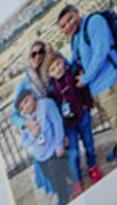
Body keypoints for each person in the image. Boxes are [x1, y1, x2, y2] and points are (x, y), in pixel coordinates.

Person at [59, 1, 117, 168]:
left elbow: (101, 52)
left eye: (70, 19)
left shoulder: (94, 22)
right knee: (111, 119)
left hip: (107, 81)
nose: (68, 26)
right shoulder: (76, 38)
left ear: (77, 12)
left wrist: (84, 80)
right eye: (63, 26)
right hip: (96, 87)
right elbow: (76, 59)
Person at [37, 41, 99, 190]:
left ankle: (92, 167)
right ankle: (77, 179)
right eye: (52, 69)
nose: (57, 69)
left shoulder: (72, 74)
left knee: (89, 144)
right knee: (74, 154)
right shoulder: (51, 92)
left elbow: (83, 91)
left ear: (62, 62)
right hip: (68, 126)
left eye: (58, 64)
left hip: (82, 115)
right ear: (49, 74)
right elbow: (53, 113)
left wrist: (88, 104)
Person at [14, 76, 73, 205]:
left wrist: (59, 145)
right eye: (22, 108)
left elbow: (57, 123)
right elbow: (24, 142)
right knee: (51, 178)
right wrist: (33, 135)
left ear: (31, 96)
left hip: (52, 150)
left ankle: (64, 200)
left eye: (26, 102)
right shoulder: (26, 122)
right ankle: (67, 187)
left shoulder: (46, 104)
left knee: (58, 178)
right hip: (40, 156)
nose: (26, 107)